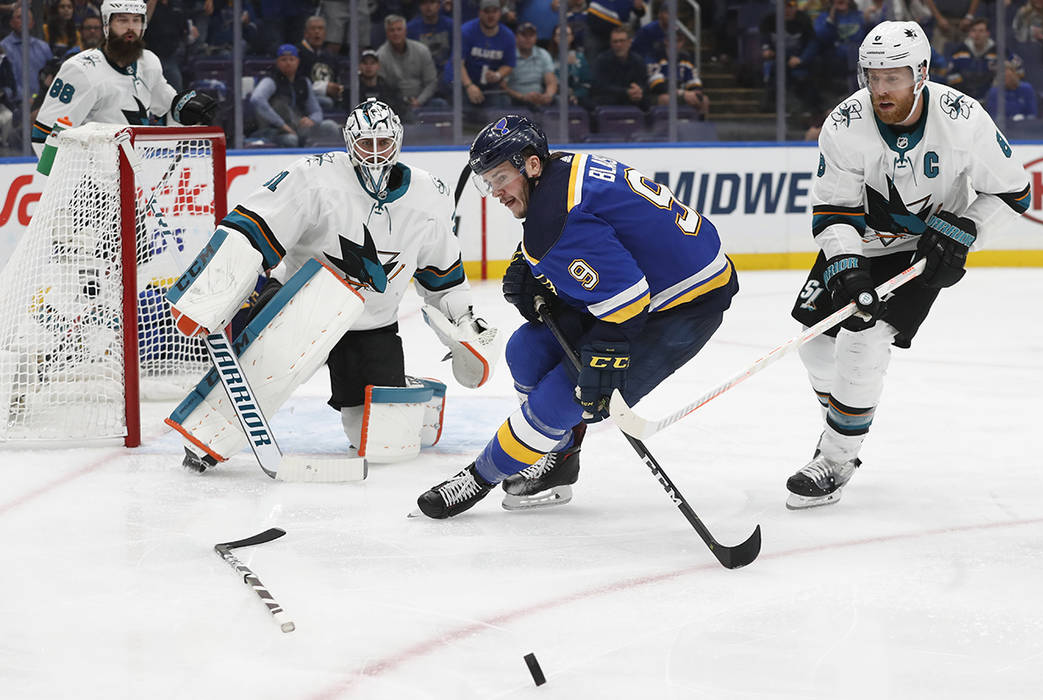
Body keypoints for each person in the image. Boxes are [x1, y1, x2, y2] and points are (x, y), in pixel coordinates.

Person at [416, 114, 739, 518]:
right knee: (525, 351)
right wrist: (534, 268)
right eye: (488, 182)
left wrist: (606, 352)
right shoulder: (561, 167)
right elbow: (597, 229)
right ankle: (560, 457)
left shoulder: (551, 222)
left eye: (499, 177)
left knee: (560, 401)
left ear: (531, 165)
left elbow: (626, 300)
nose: (495, 192)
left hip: (684, 305)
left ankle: (478, 478)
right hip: (649, 284)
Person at [171, 98, 500, 472]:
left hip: (371, 322)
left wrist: (464, 322)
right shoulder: (315, 175)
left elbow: (442, 275)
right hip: (298, 306)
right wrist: (209, 293)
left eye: (384, 144)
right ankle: (206, 435)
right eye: (366, 144)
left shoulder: (430, 195)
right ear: (348, 142)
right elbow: (254, 227)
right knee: (261, 374)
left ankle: (403, 387)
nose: (375, 155)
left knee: (381, 444)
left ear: (399, 142)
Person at [785, 20, 1031, 509]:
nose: (881, 89)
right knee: (816, 351)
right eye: (873, 76)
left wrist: (965, 233)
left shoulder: (963, 119)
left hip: (925, 250)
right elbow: (834, 211)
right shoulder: (844, 123)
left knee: (863, 342)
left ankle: (834, 460)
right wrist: (847, 267)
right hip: (861, 242)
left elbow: (1014, 192)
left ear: (920, 73)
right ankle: (846, 423)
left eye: (892, 77)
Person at [31, 0, 215, 158]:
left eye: (136, 20)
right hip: (89, 183)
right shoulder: (81, 69)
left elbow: (167, 108)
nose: (130, 28)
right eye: (122, 20)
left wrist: (186, 111)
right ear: (106, 25)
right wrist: (72, 183)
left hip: (134, 175)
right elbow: (44, 135)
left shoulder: (148, 62)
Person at [248, 43, 341, 148]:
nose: (288, 63)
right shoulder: (271, 80)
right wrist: (281, 124)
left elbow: (316, 111)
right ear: (277, 62)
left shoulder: (303, 82)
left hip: (298, 128)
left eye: (291, 59)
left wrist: (312, 120)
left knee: (330, 126)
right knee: (291, 140)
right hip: (273, 130)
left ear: (298, 61)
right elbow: (257, 99)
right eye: (284, 59)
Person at [447, 0, 517, 109]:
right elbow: (457, 63)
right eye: (487, 11)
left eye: (494, 11)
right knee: (464, 105)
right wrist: (469, 86)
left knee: (502, 104)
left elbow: (509, 64)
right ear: (480, 13)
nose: (491, 15)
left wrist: (497, 75)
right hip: (463, 82)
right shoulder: (466, 31)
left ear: (500, 13)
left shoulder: (508, 36)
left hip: (489, 85)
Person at [377, 14, 443, 113]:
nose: (396, 33)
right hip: (394, 104)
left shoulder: (422, 50)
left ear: (405, 31)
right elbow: (382, 87)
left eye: (399, 29)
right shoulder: (380, 56)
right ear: (387, 33)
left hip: (422, 101)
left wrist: (419, 101)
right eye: (392, 30)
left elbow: (431, 82)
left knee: (441, 104)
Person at [591, 25, 650, 110]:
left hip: (633, 100)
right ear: (611, 44)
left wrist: (639, 91)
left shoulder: (638, 61)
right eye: (615, 42)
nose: (618, 44)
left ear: (629, 42)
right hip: (609, 101)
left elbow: (644, 84)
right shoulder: (602, 60)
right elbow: (600, 86)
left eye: (622, 41)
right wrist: (626, 92)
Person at [1, 6, 54, 100]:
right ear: (11, 23)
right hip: (13, 104)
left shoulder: (43, 47)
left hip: (42, 102)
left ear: (32, 23)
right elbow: (5, 83)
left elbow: (51, 74)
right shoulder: (2, 48)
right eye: (19, 17)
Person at [501, 22, 556, 110]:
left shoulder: (543, 54)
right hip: (514, 100)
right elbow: (503, 86)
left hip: (539, 99)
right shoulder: (509, 54)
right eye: (524, 35)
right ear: (516, 37)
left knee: (559, 101)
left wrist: (547, 96)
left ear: (536, 38)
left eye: (531, 35)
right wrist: (522, 97)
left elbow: (551, 81)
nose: (528, 38)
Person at [945, 17, 999, 101]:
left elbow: (1018, 72)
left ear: (987, 33)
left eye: (981, 31)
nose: (977, 34)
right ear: (970, 33)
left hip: (991, 101)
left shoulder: (998, 52)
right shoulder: (959, 52)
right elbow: (950, 76)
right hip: (964, 100)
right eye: (974, 31)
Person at [298, 15, 344, 111]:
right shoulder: (298, 54)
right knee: (327, 102)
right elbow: (297, 85)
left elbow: (337, 80)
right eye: (313, 28)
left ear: (325, 33)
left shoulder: (330, 56)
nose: (317, 32)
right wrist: (324, 88)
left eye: (320, 28)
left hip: (329, 98)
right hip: (306, 99)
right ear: (306, 33)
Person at [983, 55, 1039, 121]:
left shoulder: (1027, 89)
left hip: (1025, 127)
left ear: (1015, 74)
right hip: (1005, 128)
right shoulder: (994, 93)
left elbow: (1032, 114)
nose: (1008, 80)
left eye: (1009, 77)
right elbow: (993, 117)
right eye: (1004, 78)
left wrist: (1023, 119)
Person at [358, 47, 409, 118]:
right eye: (365, 63)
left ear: (378, 66)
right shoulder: (352, 90)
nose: (368, 67)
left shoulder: (390, 89)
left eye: (372, 63)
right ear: (359, 66)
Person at [407, 0, 453, 71]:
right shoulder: (410, 29)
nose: (428, 6)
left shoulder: (451, 25)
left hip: (447, 72)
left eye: (432, 2)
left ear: (439, 5)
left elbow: (456, 53)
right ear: (419, 7)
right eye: (424, 3)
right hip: (421, 73)